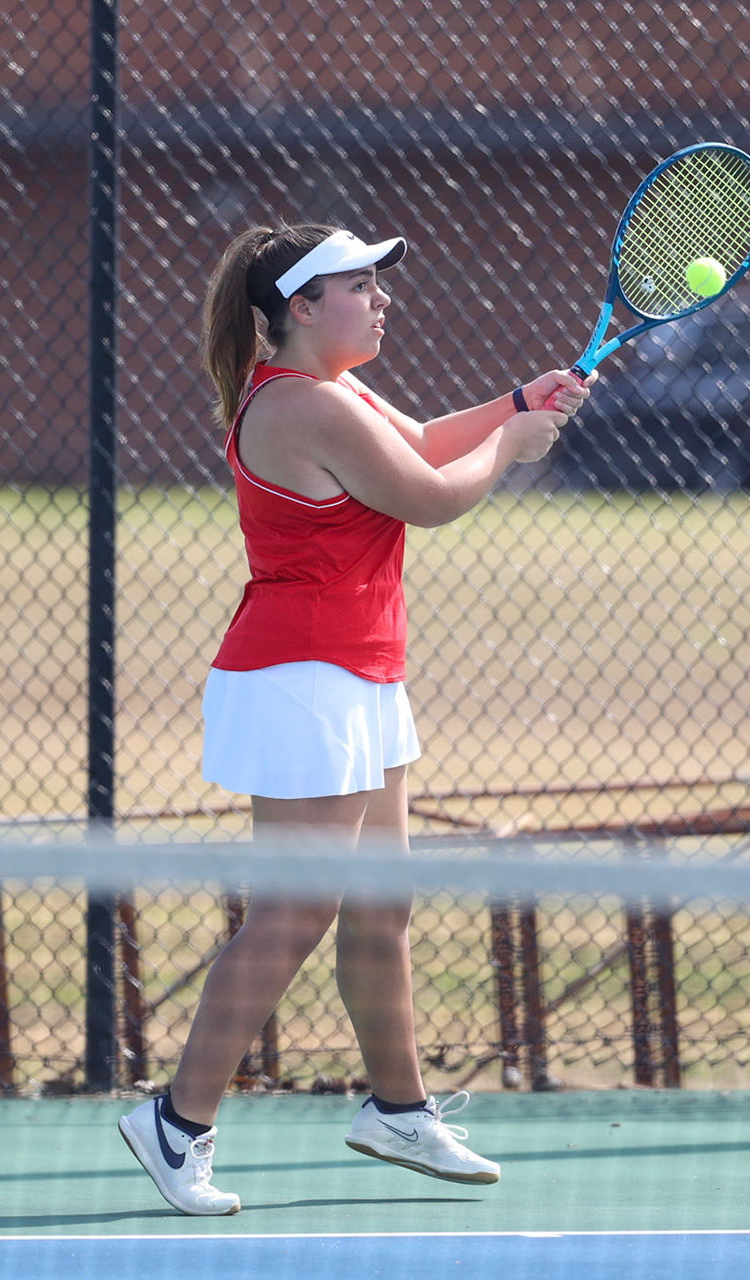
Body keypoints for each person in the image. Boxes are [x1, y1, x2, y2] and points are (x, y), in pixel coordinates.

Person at [118, 223, 592, 1216]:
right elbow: (428, 493)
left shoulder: (336, 393)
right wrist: (511, 444)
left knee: (382, 906)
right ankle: (175, 1122)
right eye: (360, 286)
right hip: (302, 677)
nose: (382, 300)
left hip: (361, 673)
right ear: (301, 306)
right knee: (295, 914)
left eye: (380, 285)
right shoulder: (297, 405)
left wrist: (515, 401)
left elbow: (417, 443)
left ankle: (399, 1107)